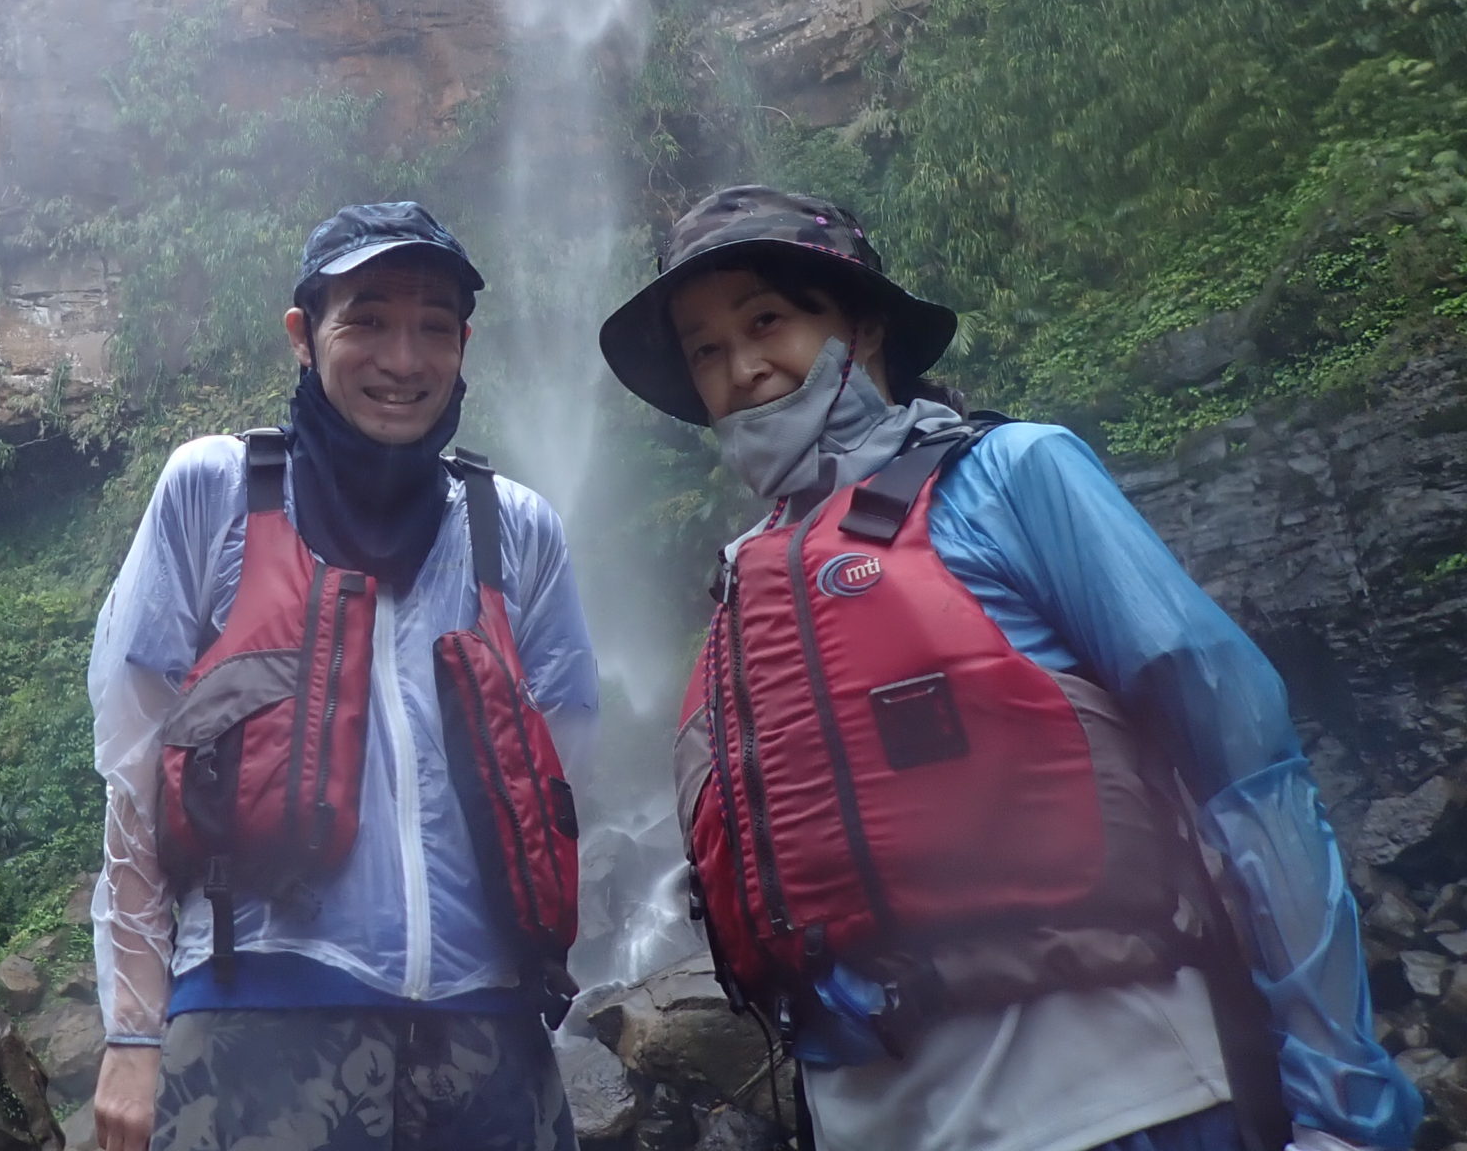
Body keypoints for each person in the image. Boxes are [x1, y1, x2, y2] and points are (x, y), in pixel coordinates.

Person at [595, 184, 1422, 1151]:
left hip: (1127, 1099)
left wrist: (1341, 1101)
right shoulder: (743, 585)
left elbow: (1248, 766)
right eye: (704, 349)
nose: (741, 367)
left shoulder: (1013, 474)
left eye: (766, 320)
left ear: (859, 324)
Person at [87, 201, 600, 1151]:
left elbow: (559, 772)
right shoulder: (215, 491)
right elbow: (131, 775)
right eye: (366, 319)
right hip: (256, 1017)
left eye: (433, 329)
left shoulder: (515, 528)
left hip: (486, 1033)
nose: (403, 360)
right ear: (303, 334)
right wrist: (132, 1030)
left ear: (463, 345)